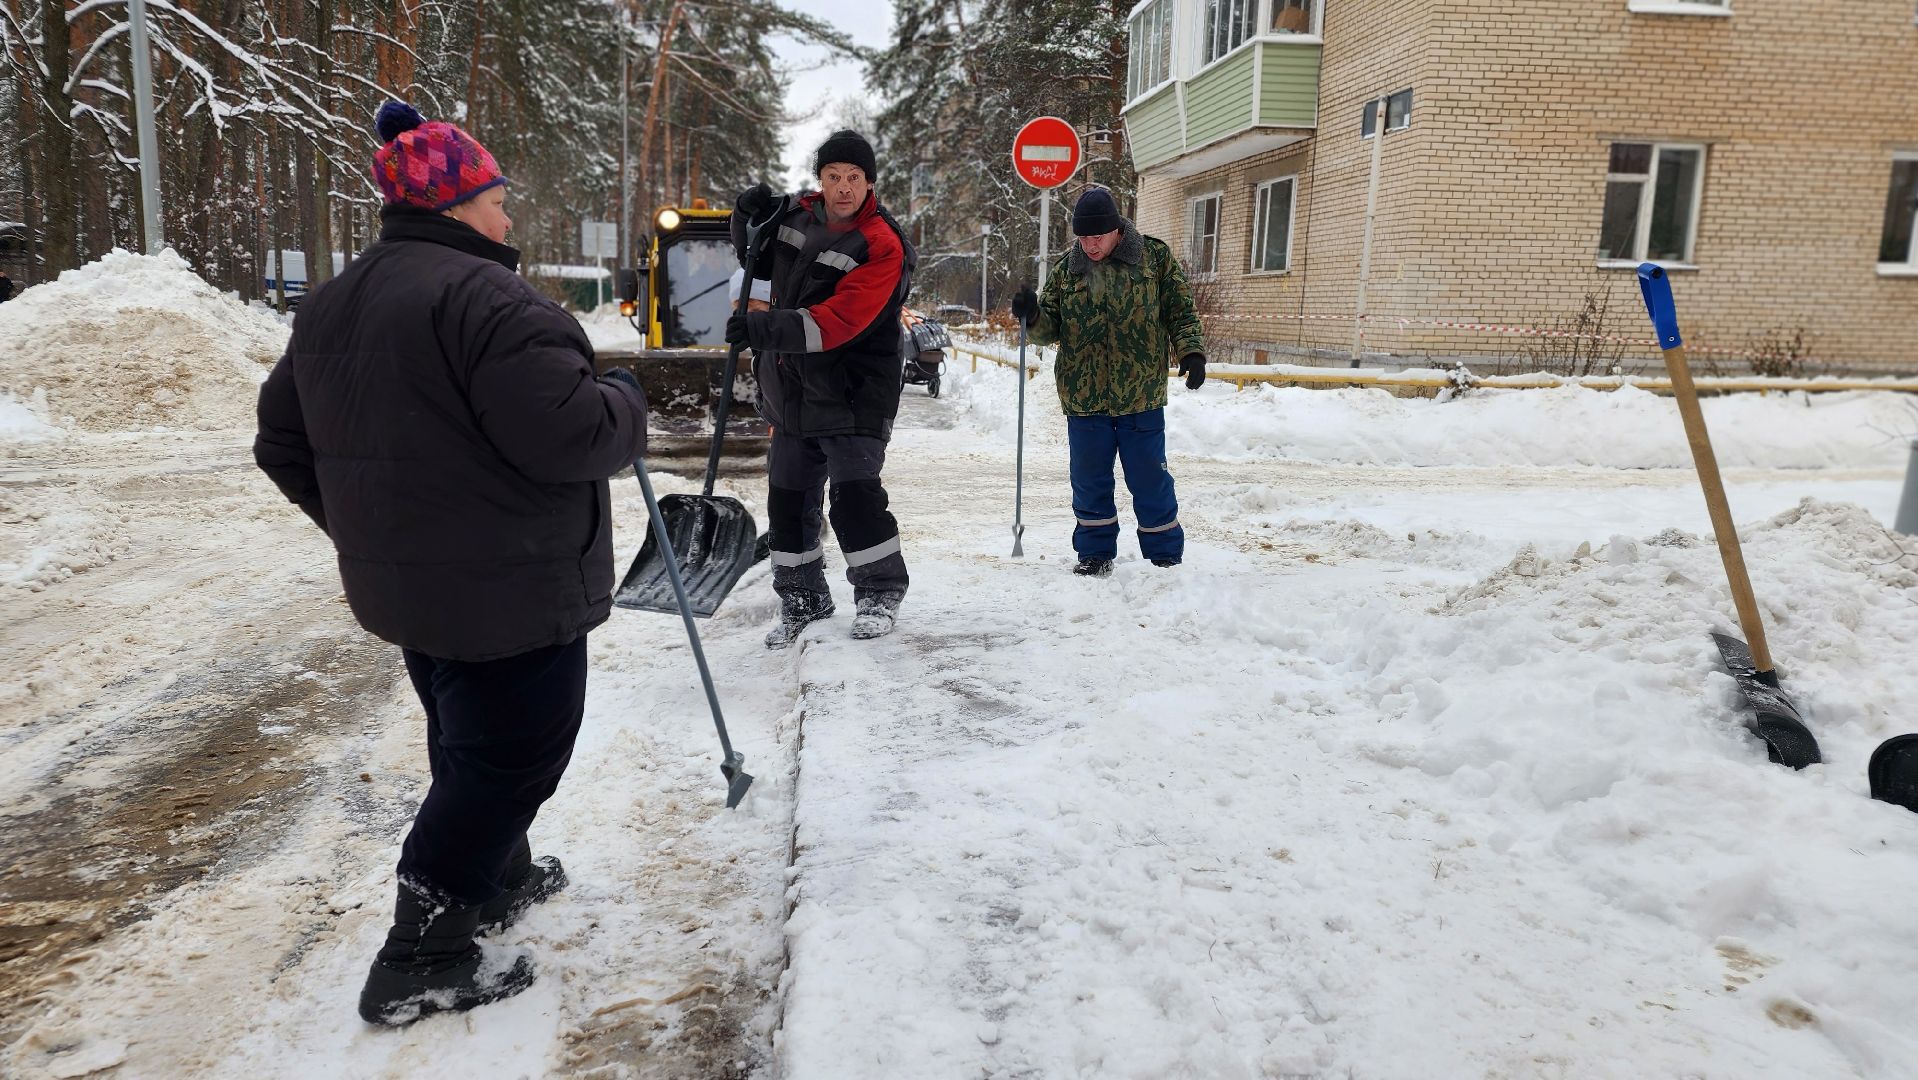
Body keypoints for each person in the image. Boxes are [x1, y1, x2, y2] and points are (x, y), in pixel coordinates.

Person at [254, 101, 648, 1026]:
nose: (509, 219)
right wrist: (623, 398)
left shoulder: (335, 302)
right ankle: (421, 955)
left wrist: (375, 529)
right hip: (511, 589)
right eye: (499, 200)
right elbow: (571, 436)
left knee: (466, 737)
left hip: (419, 592)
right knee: (509, 759)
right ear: (461, 202)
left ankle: (496, 874)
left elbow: (282, 444)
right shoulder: (493, 301)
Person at [724, 129, 917, 648]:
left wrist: (762, 328)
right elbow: (754, 258)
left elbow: (838, 321)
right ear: (821, 180)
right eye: (834, 176)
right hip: (792, 392)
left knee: (854, 501)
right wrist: (746, 218)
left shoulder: (882, 244)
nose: (844, 187)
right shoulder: (796, 221)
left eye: (854, 178)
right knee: (787, 504)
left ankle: (879, 592)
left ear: (870, 182)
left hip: (855, 391)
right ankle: (802, 600)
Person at [1011, 186, 1205, 576]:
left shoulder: (1153, 258)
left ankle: (1165, 555)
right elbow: (1050, 328)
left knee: (1150, 477)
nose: (1089, 245)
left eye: (1096, 236)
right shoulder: (1069, 270)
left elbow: (1181, 311)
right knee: (1089, 480)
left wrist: (1191, 352)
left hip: (1140, 395)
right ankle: (1095, 554)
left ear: (1117, 229)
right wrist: (1031, 316)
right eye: (1082, 237)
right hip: (1084, 397)